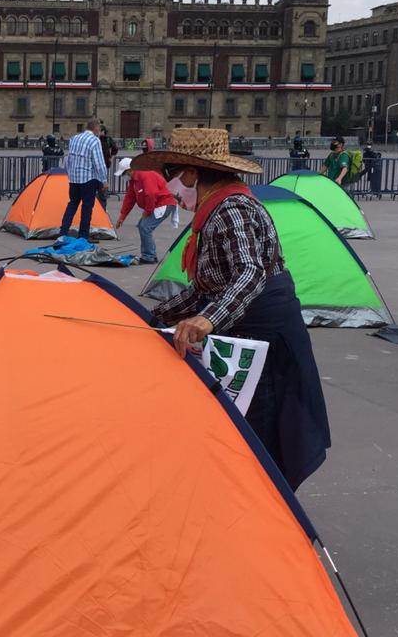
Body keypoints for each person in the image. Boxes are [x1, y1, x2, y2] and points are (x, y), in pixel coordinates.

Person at [150, 127, 330, 490]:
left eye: (172, 175)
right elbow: (207, 288)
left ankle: (267, 509)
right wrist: (152, 318)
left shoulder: (232, 208)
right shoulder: (212, 211)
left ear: (191, 174)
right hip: (243, 327)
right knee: (241, 424)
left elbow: (249, 272)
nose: (170, 187)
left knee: (262, 428)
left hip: (266, 334)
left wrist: (208, 319)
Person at [113, 157, 177, 264]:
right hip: (158, 203)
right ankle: (150, 254)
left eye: (124, 174)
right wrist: (122, 216)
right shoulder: (134, 180)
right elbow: (130, 198)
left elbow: (151, 194)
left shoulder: (145, 174)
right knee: (143, 226)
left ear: (129, 170)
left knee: (145, 227)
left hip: (164, 203)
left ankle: (149, 256)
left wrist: (147, 211)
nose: (124, 177)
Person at [59, 119, 107, 241]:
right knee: (87, 207)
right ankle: (83, 236)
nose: (100, 131)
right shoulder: (94, 141)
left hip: (74, 179)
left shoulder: (74, 138)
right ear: (96, 128)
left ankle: (63, 232)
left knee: (72, 204)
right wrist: (104, 180)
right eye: (99, 129)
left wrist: (69, 174)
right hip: (88, 179)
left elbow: (69, 158)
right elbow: (99, 162)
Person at [96, 125, 119, 207]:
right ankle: (98, 196)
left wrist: (111, 158)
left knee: (102, 182)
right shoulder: (96, 139)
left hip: (104, 164)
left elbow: (115, 149)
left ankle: (102, 197)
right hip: (95, 165)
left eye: (100, 130)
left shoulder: (108, 139)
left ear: (103, 131)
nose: (98, 132)